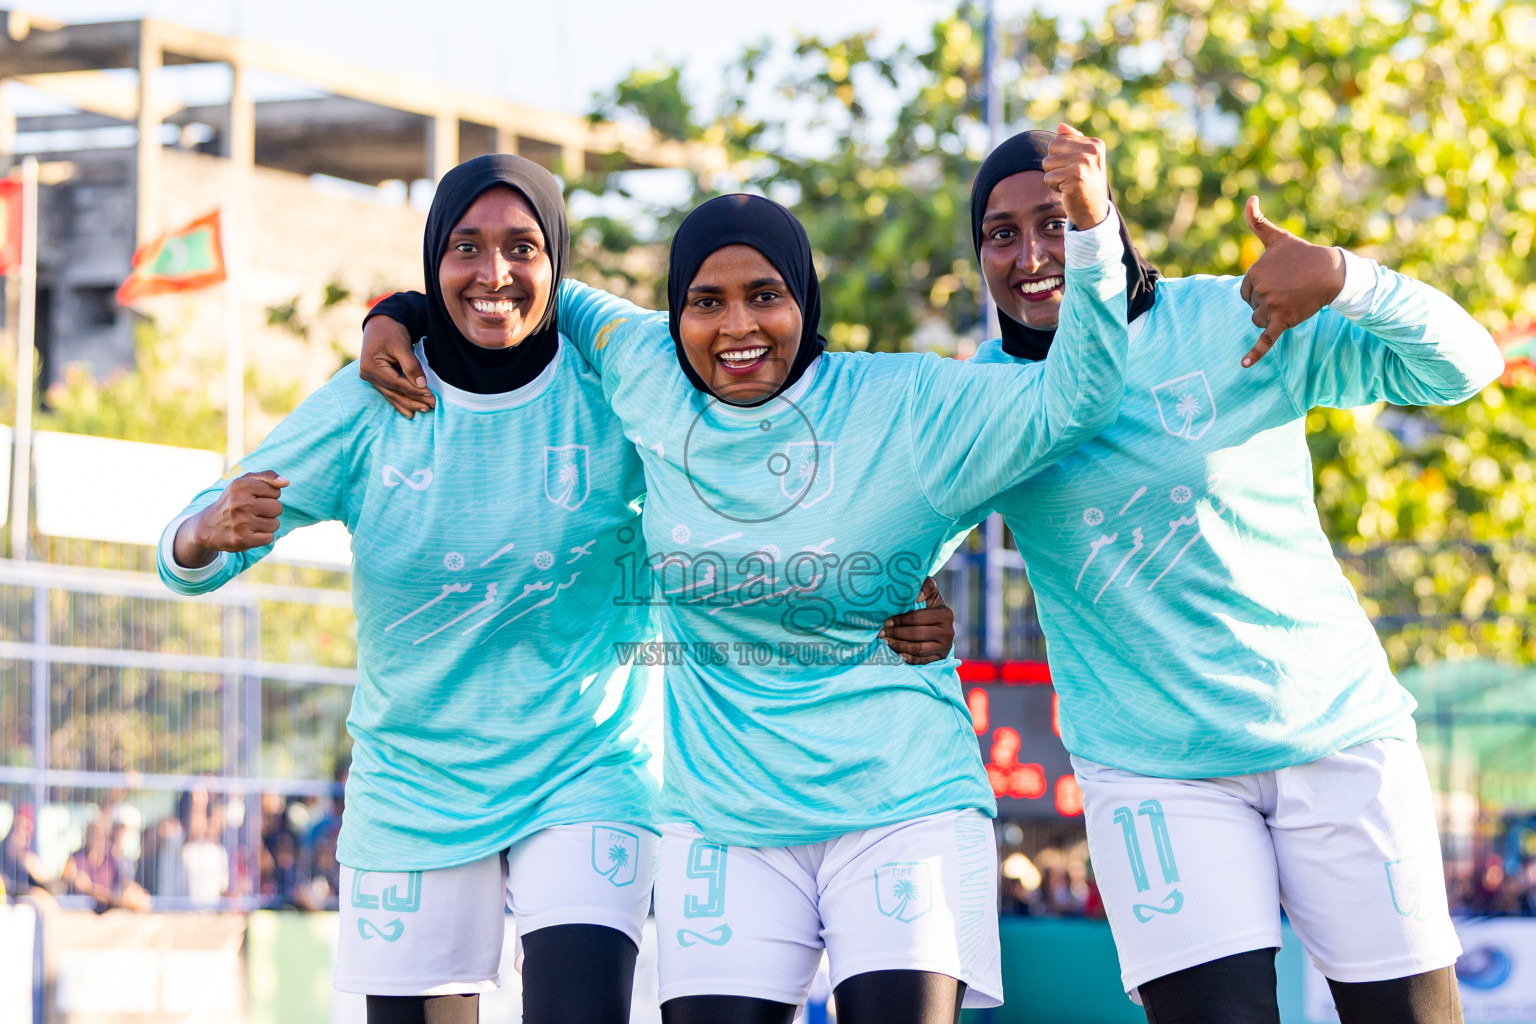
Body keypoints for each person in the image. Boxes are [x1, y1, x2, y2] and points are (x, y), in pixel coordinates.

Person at [358, 124, 1130, 1023]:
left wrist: (1094, 233)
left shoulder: (907, 402)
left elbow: (1080, 396)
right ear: (674, 312)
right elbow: (517, 288)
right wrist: (397, 313)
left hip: (898, 807)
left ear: (804, 296)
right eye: (706, 301)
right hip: (723, 823)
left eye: (765, 296)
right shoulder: (643, 365)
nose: (736, 327)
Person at [159, 154, 951, 1024]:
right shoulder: (375, 398)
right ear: (433, 258)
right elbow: (193, 543)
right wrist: (204, 535)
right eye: (465, 248)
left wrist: (894, 579)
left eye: (522, 247)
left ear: (557, 260)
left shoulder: (617, 384)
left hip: (590, 766)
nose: (494, 273)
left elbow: (759, 479)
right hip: (415, 781)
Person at [966, 128, 1501, 1023]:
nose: (1030, 256)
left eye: (1056, 222)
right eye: (1000, 233)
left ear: (1104, 220)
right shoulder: (981, 400)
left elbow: (1467, 368)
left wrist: (1345, 276)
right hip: (1154, 775)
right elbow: (892, 526)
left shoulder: (1230, 318)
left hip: (1336, 735)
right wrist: (907, 592)